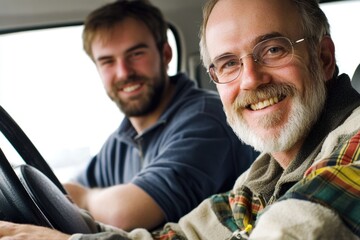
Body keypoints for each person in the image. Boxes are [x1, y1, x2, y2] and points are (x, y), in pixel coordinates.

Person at [0, 0, 359, 239]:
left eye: (273, 50)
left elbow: (295, 229)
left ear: (324, 58)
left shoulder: (354, 146)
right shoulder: (260, 179)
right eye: (229, 63)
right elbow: (181, 236)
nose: (250, 79)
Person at [61, 0, 258, 232]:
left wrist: (82, 198)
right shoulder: (120, 141)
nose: (124, 72)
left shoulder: (207, 119)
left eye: (136, 54)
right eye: (107, 62)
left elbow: (126, 215)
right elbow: (71, 188)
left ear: (165, 54)